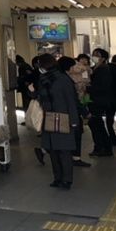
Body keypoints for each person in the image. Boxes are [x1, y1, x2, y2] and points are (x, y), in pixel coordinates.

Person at [37, 53, 80, 190]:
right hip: (49, 117)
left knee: (64, 151)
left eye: (40, 65)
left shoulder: (63, 79)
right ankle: (57, 178)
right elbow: (40, 98)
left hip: (63, 118)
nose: (39, 68)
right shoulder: (43, 79)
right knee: (53, 150)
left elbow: (71, 101)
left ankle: (67, 179)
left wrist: (74, 120)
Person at [59, 56, 91, 168]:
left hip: (62, 111)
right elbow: (73, 98)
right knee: (76, 132)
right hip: (71, 111)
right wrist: (84, 111)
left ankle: (46, 150)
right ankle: (75, 158)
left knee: (65, 134)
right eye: (73, 66)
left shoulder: (58, 77)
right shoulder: (66, 80)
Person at [87, 49, 114, 157]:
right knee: (97, 124)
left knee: (96, 124)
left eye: (97, 55)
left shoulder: (104, 70)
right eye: (93, 54)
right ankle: (103, 147)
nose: (94, 56)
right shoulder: (93, 69)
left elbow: (102, 87)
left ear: (103, 58)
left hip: (98, 100)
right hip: (95, 100)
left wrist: (88, 88)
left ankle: (101, 147)